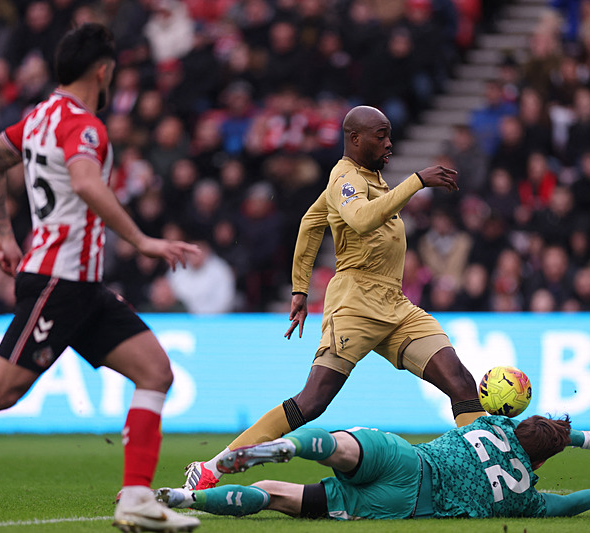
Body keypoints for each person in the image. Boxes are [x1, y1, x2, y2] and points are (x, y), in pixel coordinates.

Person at [0, 24, 201, 533]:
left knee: (155, 371)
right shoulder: (84, 125)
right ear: (103, 72)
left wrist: (5, 236)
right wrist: (142, 240)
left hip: (80, 286)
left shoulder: (37, 117)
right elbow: (84, 182)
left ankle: (136, 499)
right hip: (58, 282)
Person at [183, 105, 482, 490]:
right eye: (381, 136)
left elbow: (311, 223)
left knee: (460, 380)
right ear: (355, 138)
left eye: (390, 136)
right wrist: (417, 181)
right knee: (313, 401)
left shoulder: (368, 179)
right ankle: (212, 468)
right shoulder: (345, 178)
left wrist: (299, 288)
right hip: (356, 304)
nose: (389, 143)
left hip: (395, 305)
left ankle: (485, 476)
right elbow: (360, 219)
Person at [158, 415, 590, 520]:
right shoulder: (522, 497)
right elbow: (563, 506)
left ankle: (288, 445)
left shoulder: (494, 423)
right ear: (540, 460)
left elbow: (543, 429)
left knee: (338, 447)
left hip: (405, 458)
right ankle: (185, 500)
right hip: (401, 503)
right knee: (274, 494)